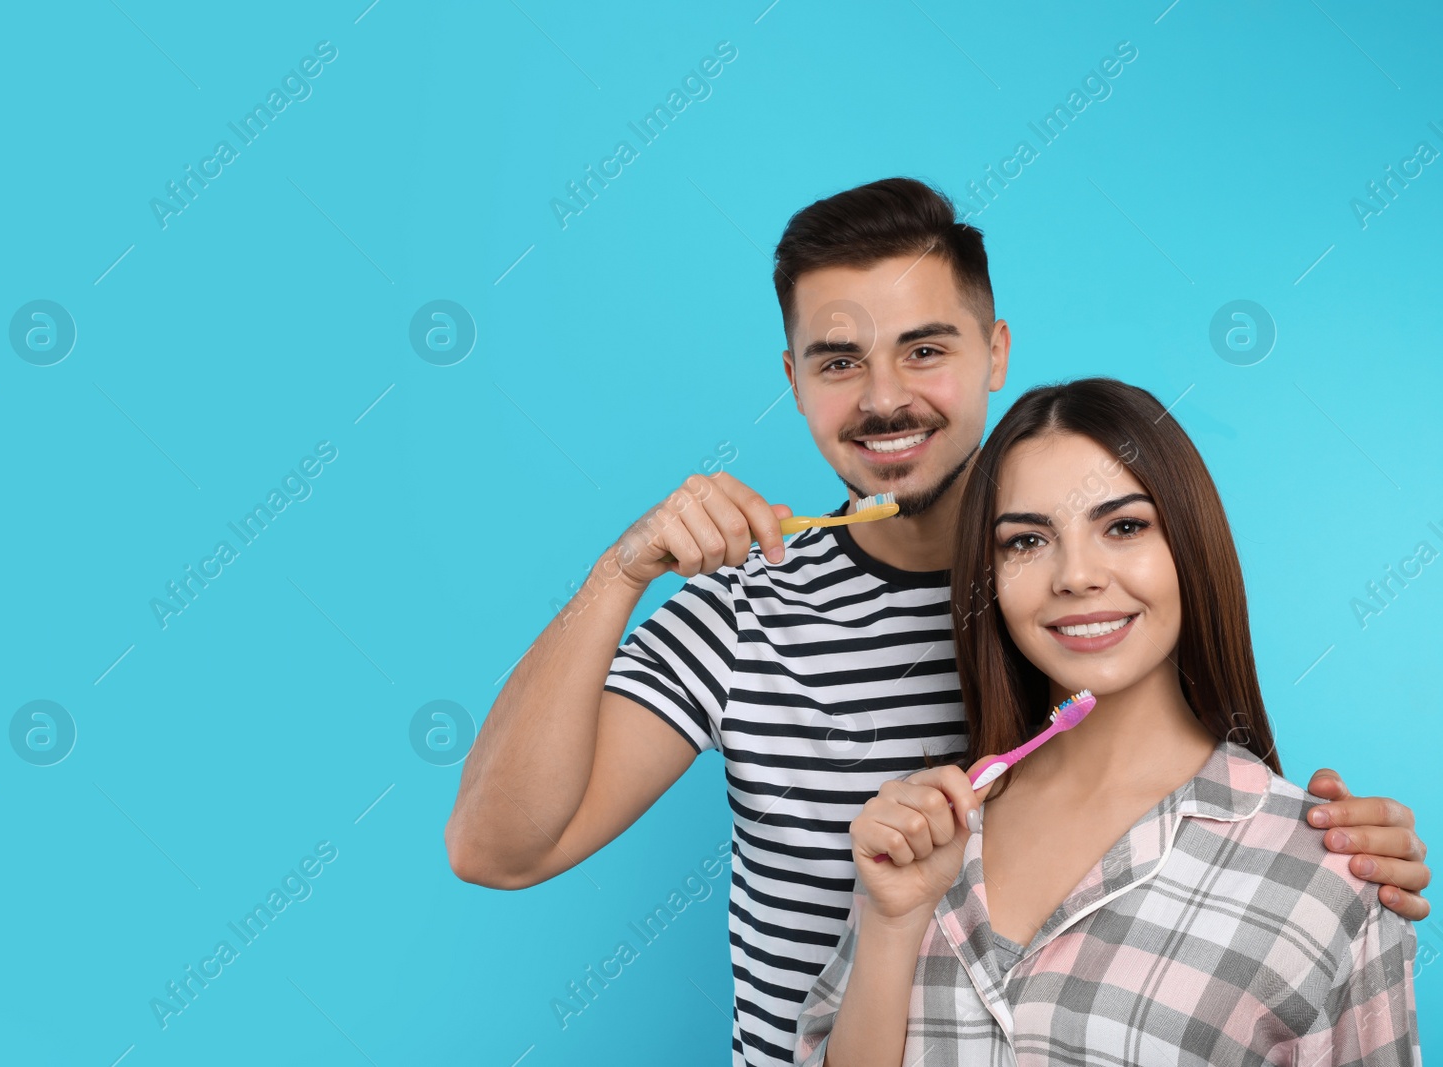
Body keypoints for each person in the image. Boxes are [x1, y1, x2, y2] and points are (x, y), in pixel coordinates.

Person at [444, 178, 1432, 1067]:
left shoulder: (1088, 612)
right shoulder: (738, 615)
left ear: (994, 350)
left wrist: (1326, 856)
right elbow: (497, 849)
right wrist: (622, 572)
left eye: (925, 348)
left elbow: (1194, 846)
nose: (884, 397)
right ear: (792, 379)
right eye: (838, 361)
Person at [794, 378, 1421, 1067]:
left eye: (1123, 526)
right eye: (1027, 540)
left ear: (1188, 542)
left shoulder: (1328, 876)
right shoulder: (923, 828)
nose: (1076, 574)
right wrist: (890, 922)